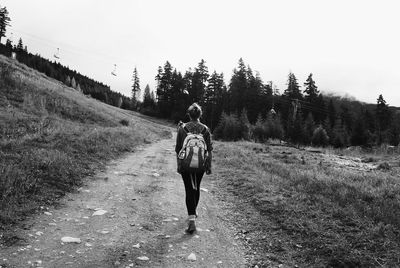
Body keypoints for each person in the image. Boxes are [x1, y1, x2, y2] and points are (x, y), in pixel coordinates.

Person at [175, 103, 212, 234]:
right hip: (201, 165)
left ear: (189, 114)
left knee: (189, 189)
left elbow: (178, 149)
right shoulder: (205, 130)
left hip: (186, 164)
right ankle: (194, 212)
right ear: (200, 115)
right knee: (196, 187)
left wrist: (179, 165)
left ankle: (192, 221)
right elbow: (209, 149)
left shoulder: (182, 128)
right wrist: (209, 165)